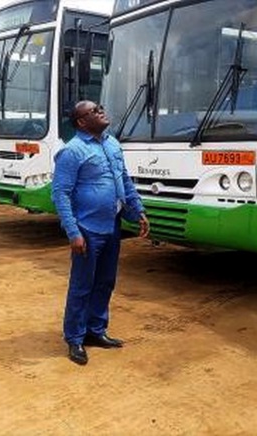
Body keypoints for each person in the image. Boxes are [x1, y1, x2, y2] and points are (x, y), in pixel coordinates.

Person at [51, 100, 150, 365]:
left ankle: (96, 331)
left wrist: (137, 209)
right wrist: (73, 232)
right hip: (87, 228)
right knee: (82, 285)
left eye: (100, 107)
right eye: (94, 111)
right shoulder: (72, 151)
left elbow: (124, 180)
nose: (101, 112)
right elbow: (60, 193)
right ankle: (74, 338)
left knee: (106, 281)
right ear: (82, 122)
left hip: (112, 225)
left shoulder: (113, 144)